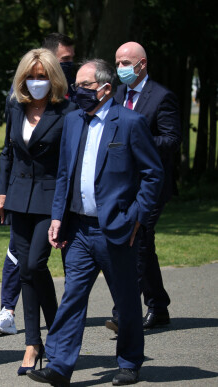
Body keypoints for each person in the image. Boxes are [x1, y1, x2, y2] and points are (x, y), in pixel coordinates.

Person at [28, 59, 163, 386]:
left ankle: (129, 362)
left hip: (116, 229)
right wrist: (58, 217)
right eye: (76, 86)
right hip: (78, 230)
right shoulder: (73, 121)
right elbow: (64, 174)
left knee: (126, 300)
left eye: (85, 86)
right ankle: (60, 366)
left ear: (105, 89)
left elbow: (153, 175)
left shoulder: (130, 123)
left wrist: (136, 219)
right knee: (73, 296)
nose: (78, 92)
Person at [0, 33, 77, 336]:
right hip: (18, 197)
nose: (37, 81)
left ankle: (56, 331)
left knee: (35, 264)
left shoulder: (68, 111)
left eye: (43, 76)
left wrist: (63, 210)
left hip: (50, 199)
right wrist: (1, 193)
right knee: (25, 269)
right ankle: (34, 342)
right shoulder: (15, 106)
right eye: (31, 76)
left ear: (54, 77)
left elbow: (69, 164)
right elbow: (8, 152)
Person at [104, 41, 182, 333]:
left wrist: (135, 144)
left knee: (135, 243)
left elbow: (172, 139)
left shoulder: (162, 97)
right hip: (122, 185)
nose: (121, 68)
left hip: (151, 185)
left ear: (142, 64)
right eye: (118, 62)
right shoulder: (118, 94)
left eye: (126, 63)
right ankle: (158, 306)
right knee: (143, 245)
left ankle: (123, 314)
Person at [42, 33, 76, 101]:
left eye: (72, 58)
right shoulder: (34, 86)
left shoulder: (75, 86)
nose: (71, 62)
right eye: (66, 58)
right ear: (49, 58)